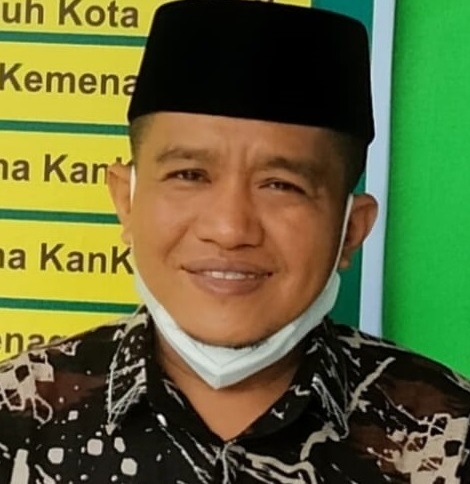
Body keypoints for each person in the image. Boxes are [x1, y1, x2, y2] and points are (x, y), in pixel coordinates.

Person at [0, 0, 469, 482]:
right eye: (189, 174)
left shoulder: (450, 438)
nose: (229, 229)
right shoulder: (16, 419)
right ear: (126, 201)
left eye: (281, 185)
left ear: (350, 229)